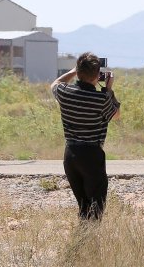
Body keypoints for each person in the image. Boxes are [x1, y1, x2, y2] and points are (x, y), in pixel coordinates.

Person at [51, 52, 121, 221]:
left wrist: (74, 71)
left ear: (79, 71)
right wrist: (108, 89)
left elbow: (55, 83)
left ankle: (82, 240)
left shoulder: (64, 92)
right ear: (98, 75)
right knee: (96, 207)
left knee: (83, 207)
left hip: (70, 154)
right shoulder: (100, 98)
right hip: (91, 155)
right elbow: (116, 114)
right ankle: (91, 242)